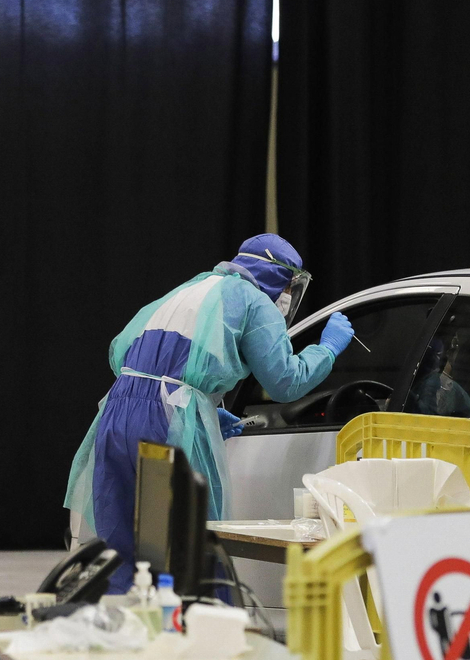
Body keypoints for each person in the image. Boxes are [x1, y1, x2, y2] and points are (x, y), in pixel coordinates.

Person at [65, 233, 356, 593]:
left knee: (123, 543)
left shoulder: (194, 286)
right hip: (168, 417)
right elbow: (285, 382)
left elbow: (120, 353)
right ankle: (199, 620)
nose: (287, 295)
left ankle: (125, 620)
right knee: (190, 542)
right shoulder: (254, 301)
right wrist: (327, 349)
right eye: (289, 286)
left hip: (117, 410)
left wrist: (200, 408)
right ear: (280, 277)